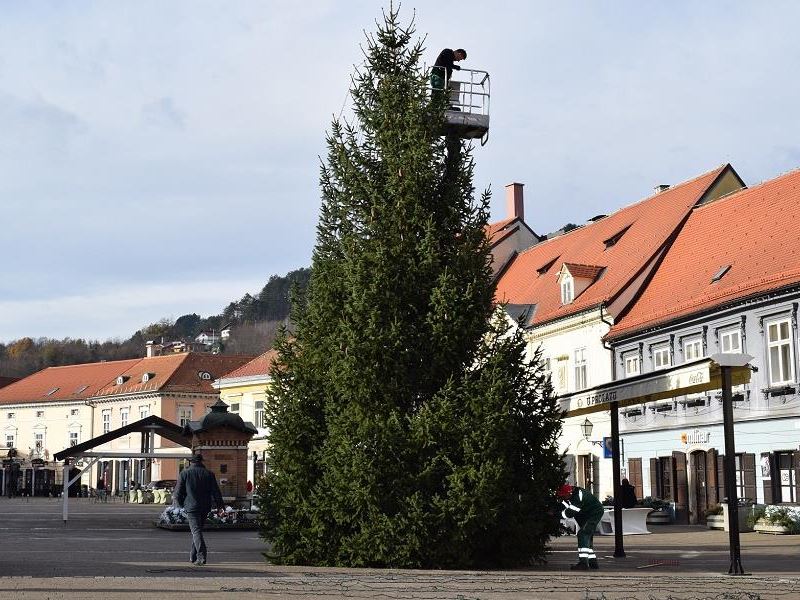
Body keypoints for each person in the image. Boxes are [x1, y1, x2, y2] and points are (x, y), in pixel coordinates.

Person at [173, 453, 224, 566]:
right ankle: (193, 555)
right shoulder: (209, 474)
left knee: (196, 531)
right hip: (205, 506)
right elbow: (216, 492)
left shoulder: (184, 473)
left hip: (191, 507)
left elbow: (177, 494)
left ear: (191, 462)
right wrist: (220, 506)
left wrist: (182, 505)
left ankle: (201, 557)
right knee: (197, 531)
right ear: (201, 461)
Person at [558, 483, 604, 570]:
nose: (563, 497)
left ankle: (583, 563)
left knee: (583, 534)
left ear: (569, 493)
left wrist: (557, 515)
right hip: (587, 514)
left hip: (593, 513)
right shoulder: (572, 495)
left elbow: (570, 513)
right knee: (587, 536)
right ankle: (592, 562)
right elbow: (568, 507)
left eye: (564, 496)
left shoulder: (577, 496)